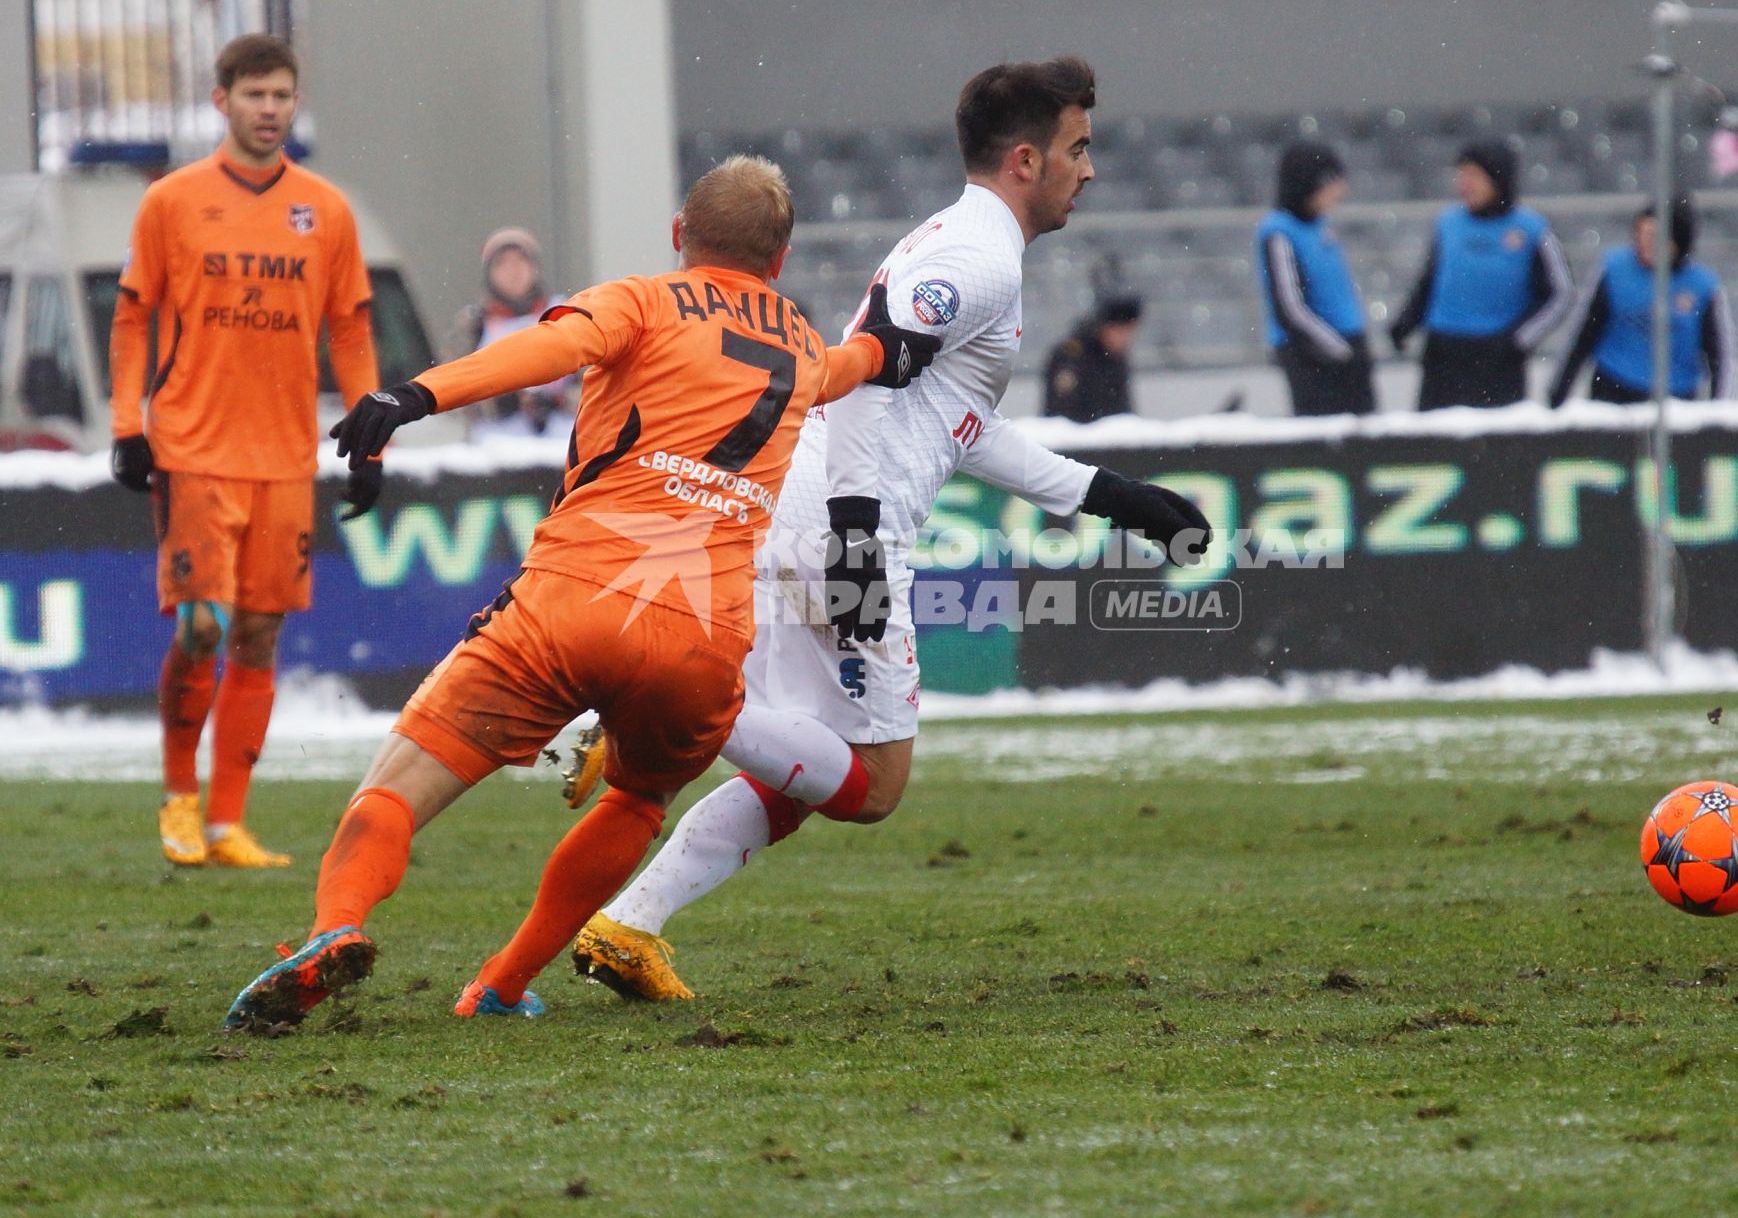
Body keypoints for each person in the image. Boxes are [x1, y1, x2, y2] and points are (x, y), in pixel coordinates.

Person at [222, 156, 942, 1028]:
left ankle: (334, 929)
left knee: (399, 785)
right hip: (705, 640)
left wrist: (415, 394)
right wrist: (889, 348)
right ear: (781, 262)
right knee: (638, 799)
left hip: (575, 599)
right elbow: (848, 363)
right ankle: (503, 981)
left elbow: (548, 350)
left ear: (680, 236)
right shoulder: (797, 342)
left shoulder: (642, 299)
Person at [559, 57, 1213, 1005]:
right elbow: (868, 373)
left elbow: (953, 419)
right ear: (1026, 159)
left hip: (813, 514)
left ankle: (629, 925)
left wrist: (1121, 500)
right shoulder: (974, 259)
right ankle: (673, 704)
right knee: (872, 785)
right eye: (1079, 148)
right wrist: (860, 537)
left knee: (806, 773)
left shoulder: (968, 245)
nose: (1091, 168)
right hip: (842, 525)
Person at [107, 34, 382, 870]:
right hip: (193, 445)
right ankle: (178, 800)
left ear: (296, 104)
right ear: (221, 101)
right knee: (200, 628)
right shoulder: (172, 201)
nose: (269, 110)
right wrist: (128, 425)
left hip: (286, 456)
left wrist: (369, 442)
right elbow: (131, 315)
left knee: (257, 638)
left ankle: (228, 824)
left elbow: (351, 326)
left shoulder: (326, 210)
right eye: (255, 95)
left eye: (282, 96)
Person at [1389, 139, 1574, 409]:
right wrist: (1405, 324)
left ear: (1498, 178)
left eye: (1473, 176)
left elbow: (1561, 293)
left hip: (1497, 359)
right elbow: (1429, 282)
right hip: (1443, 354)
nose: (1465, 185)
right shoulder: (1447, 224)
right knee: (1437, 444)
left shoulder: (1532, 229)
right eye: (1461, 176)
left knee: (1497, 446)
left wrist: (1517, 341)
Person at [1547, 197, 1738, 406]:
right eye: (1641, 234)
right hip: (1613, 389)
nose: (1645, 244)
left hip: (1675, 399)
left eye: (1655, 237)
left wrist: (1720, 412)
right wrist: (1558, 393)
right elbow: (1582, 334)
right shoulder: (1613, 269)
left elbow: (1723, 356)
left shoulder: (1704, 287)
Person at [1255, 140, 1375, 416]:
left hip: (1346, 347)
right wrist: (1340, 352)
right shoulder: (1279, 232)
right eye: (1332, 181)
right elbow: (1291, 308)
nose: (1340, 191)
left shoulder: (1321, 226)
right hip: (1313, 355)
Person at [449, 227, 574, 438]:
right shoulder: (473, 325)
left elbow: (596, 381)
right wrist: (498, 404)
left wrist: (558, 402)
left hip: (562, 443)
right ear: (490, 273)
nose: (513, 271)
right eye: (502, 263)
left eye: (520, 261)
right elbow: (451, 391)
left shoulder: (563, 315)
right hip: (496, 450)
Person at [1043, 293, 1141, 422]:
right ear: (1104, 327)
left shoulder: (1115, 357)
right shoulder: (1071, 356)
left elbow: (1122, 410)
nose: (1125, 339)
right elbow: (1060, 410)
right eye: (1120, 331)